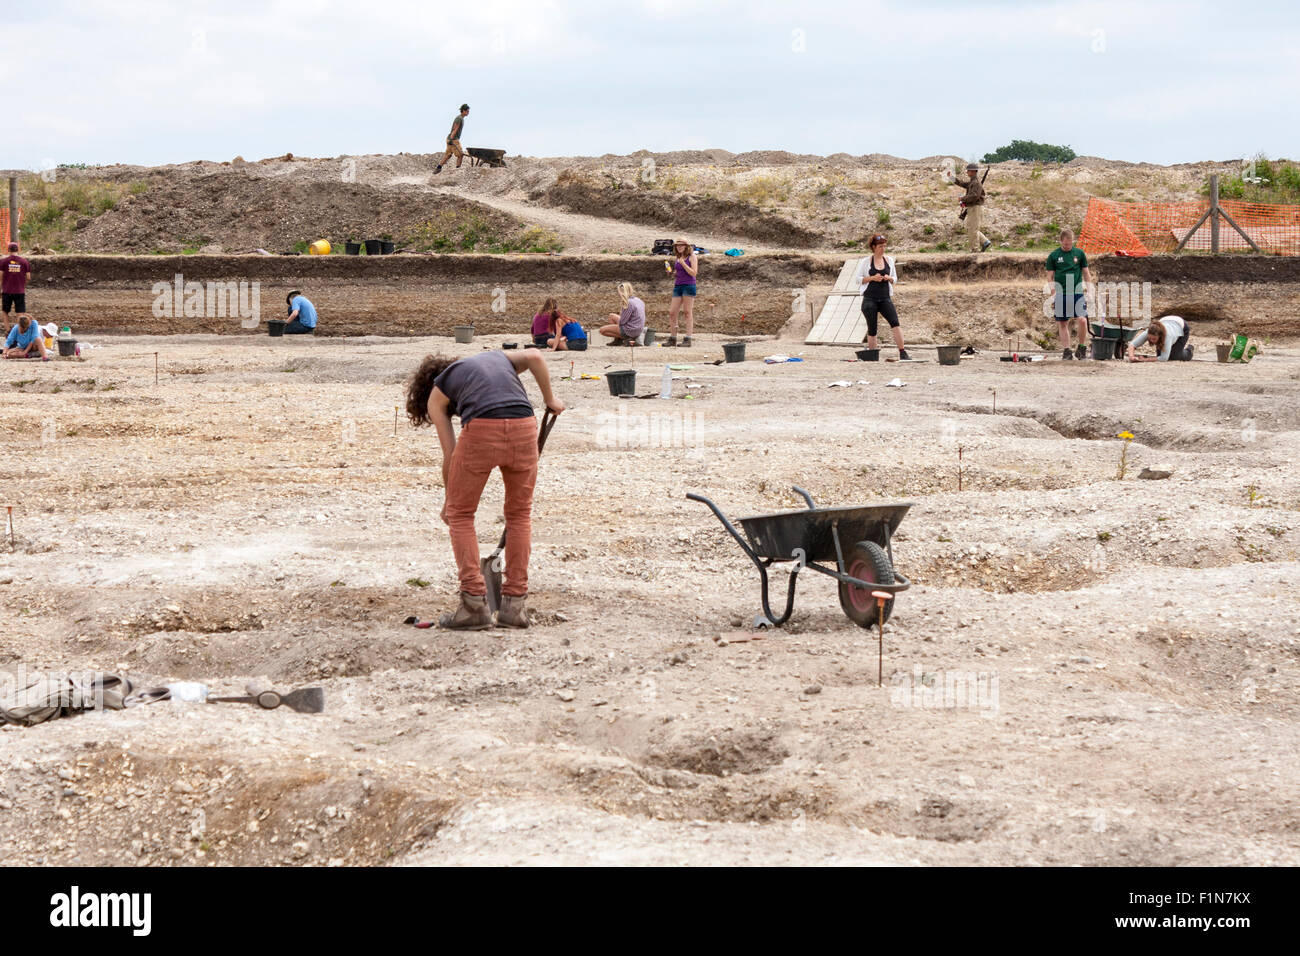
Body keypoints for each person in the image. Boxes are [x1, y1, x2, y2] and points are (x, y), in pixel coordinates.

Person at [405, 349, 565, 629]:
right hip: (524, 427)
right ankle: (514, 607)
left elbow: (451, 455)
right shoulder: (497, 358)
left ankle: (474, 604)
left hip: (482, 431)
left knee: (461, 514)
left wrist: (449, 501)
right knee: (519, 515)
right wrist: (550, 399)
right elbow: (536, 357)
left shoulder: (437, 392)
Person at [853, 234, 909, 360]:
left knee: (895, 323)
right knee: (872, 328)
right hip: (870, 298)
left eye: (884, 246)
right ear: (873, 247)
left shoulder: (889, 260)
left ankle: (902, 352)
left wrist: (889, 278)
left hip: (885, 298)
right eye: (880, 246)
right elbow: (858, 279)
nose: (883, 249)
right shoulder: (866, 261)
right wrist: (872, 278)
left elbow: (895, 278)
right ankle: (873, 354)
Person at [1046, 228, 1092, 360]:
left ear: (1073, 241)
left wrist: (1089, 290)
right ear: (1061, 241)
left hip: (1077, 292)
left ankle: (1081, 348)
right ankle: (1067, 350)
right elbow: (1050, 276)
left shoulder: (1079, 253)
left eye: (1070, 243)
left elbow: (1086, 273)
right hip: (1061, 293)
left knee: (1082, 320)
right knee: (1062, 323)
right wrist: (1053, 292)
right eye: (1065, 244)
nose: (1068, 246)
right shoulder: (1054, 256)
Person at [950, 163, 992, 252]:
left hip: (975, 207)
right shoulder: (973, 182)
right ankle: (985, 241)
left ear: (973, 171)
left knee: (973, 229)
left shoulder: (976, 183)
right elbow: (962, 183)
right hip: (972, 207)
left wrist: (962, 198)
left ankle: (975, 250)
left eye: (968, 170)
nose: (967, 172)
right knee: (971, 228)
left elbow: (974, 196)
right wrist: (952, 178)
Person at [665, 238, 698, 347]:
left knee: (687, 312)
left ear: (686, 246)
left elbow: (693, 273)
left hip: (689, 285)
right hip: (678, 286)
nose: (679, 247)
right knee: (672, 312)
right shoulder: (678, 257)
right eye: (677, 245)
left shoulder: (692, 257)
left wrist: (683, 263)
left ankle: (688, 338)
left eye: (681, 245)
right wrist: (671, 272)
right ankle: (673, 337)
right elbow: (678, 272)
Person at [1127, 315, 1193, 362]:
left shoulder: (1167, 336)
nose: (1151, 341)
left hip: (1181, 327)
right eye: (1150, 338)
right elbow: (1132, 345)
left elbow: (1164, 358)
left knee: (1174, 357)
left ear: (1160, 336)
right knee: (1159, 355)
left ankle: (1189, 351)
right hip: (1167, 320)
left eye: (1154, 339)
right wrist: (1131, 357)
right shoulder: (1148, 331)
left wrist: (1144, 360)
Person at [435, 104, 470, 174]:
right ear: (463, 111)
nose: (468, 112)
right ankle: (458, 171)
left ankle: (438, 168)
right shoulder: (459, 119)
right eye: (467, 111)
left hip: (450, 138)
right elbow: (455, 129)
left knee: (448, 155)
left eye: (468, 111)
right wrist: (451, 139)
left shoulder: (461, 118)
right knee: (460, 155)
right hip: (453, 139)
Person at [1, 242, 31, 317]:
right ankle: (19, 328)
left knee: (5, 311)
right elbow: (28, 277)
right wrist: (23, 285)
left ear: (8, 250)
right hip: (19, 291)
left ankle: (7, 329)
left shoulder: (3, 261)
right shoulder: (24, 261)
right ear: (18, 250)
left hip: (6, 290)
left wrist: (2, 286)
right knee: (20, 312)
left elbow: (0, 275)